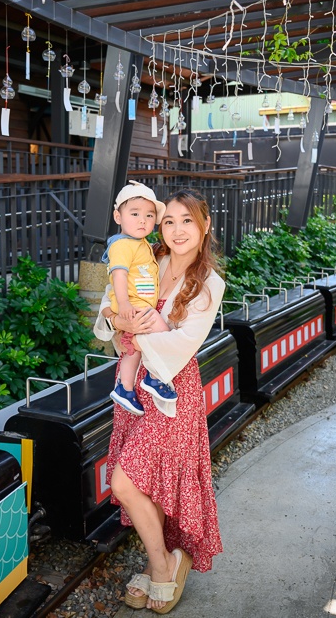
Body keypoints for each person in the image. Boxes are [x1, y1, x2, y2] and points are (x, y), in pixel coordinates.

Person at [94, 189, 224, 614]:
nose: (177, 229)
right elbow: (112, 307)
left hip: (171, 390)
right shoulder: (150, 257)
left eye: (187, 220)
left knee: (126, 482)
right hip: (132, 387)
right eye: (169, 221)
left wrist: (148, 325)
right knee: (145, 481)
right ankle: (161, 565)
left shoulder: (208, 282)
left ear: (204, 226)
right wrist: (118, 319)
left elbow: (183, 343)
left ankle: (163, 568)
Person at [103, 181, 177, 417]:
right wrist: (124, 303)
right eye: (134, 214)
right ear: (118, 216)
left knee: (132, 350)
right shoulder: (122, 244)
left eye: (148, 215)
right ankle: (154, 377)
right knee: (164, 334)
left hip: (135, 305)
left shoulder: (141, 244)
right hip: (133, 305)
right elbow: (119, 273)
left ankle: (125, 388)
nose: (142, 220)